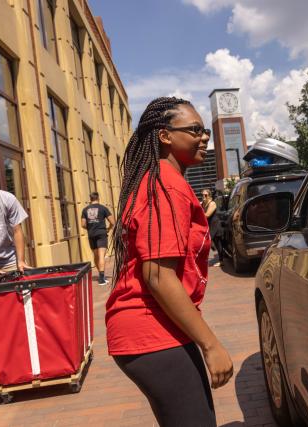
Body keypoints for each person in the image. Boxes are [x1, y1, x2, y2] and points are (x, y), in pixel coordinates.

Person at [107, 97, 233, 426]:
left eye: (205, 130)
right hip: (150, 330)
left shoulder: (163, 180)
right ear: (165, 136)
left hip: (157, 329)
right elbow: (159, 277)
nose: (204, 136)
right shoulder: (166, 185)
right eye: (194, 130)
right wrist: (211, 345)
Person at [81, 192, 115, 285]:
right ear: (98, 198)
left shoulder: (85, 210)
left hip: (91, 234)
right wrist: (108, 229)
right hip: (101, 234)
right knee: (101, 256)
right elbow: (112, 221)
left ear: (90, 199)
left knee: (96, 256)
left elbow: (83, 224)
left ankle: (101, 275)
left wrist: (90, 228)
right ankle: (101, 279)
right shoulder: (103, 208)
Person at [200, 189, 221, 266]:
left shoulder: (212, 203)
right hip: (209, 225)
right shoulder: (203, 203)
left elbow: (207, 215)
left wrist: (198, 213)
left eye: (205, 195)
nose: (203, 196)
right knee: (213, 241)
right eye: (202, 195)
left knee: (216, 242)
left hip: (215, 225)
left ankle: (221, 261)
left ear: (209, 196)